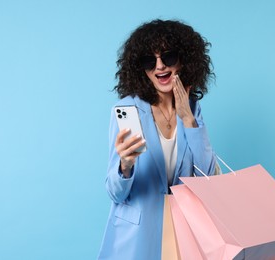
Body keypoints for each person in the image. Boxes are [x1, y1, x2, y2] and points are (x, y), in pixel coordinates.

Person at [98, 19, 219, 260]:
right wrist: (125, 166)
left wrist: (188, 121)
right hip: (137, 236)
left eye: (169, 57)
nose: (159, 66)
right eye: (149, 61)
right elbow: (114, 193)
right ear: (140, 68)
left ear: (184, 60)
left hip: (183, 231)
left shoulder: (191, 108)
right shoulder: (127, 110)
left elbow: (208, 179)